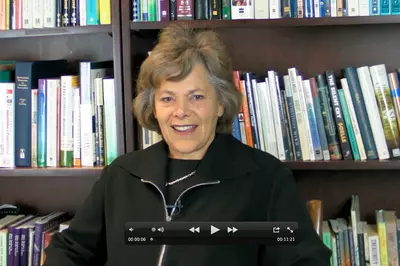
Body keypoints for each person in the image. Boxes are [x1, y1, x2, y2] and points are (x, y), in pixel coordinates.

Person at [43, 24, 331, 266]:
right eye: (168, 98)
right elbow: (70, 250)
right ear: (153, 108)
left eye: (196, 97)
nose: (181, 111)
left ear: (220, 104)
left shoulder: (265, 178)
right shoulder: (122, 175)